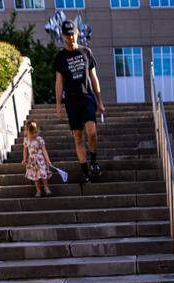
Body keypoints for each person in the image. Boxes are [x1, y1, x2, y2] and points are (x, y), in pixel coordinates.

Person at [53, 20, 106, 184]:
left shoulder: (86, 52)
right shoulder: (60, 57)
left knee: (92, 132)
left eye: (72, 34)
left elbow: (94, 77)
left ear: (76, 33)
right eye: (67, 34)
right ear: (63, 36)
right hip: (71, 101)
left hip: (87, 98)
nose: (70, 37)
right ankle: (85, 171)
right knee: (77, 136)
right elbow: (59, 82)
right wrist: (58, 105)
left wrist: (100, 101)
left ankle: (94, 161)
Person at [21, 121, 53, 198]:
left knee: (43, 174)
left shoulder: (39, 139)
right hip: (32, 161)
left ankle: (46, 188)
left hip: (40, 160)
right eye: (32, 133)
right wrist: (24, 159)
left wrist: (48, 160)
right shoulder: (26, 140)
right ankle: (38, 190)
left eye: (36, 132)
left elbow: (44, 150)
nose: (34, 134)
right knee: (35, 177)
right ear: (27, 132)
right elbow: (25, 150)